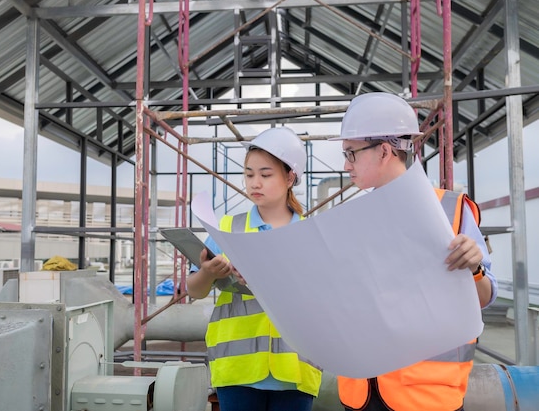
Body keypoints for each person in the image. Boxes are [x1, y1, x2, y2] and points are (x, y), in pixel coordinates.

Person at [329, 92, 498, 411]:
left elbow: (483, 298)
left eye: (351, 153)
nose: (345, 165)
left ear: (383, 151)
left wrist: (474, 268)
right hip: (360, 392)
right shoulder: (351, 219)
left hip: (426, 396)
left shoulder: (450, 211)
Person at [187, 126, 322, 411]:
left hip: (296, 368)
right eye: (249, 174)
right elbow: (194, 291)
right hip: (237, 368)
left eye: (265, 174)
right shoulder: (226, 228)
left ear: (290, 177)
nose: (254, 183)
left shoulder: (315, 232)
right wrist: (210, 272)